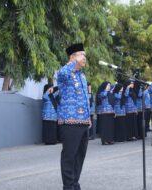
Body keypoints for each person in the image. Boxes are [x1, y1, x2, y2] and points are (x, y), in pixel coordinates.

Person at [57, 43, 91, 190]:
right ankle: (68, 186)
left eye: (84, 55)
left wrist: (88, 117)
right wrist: (72, 63)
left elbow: (85, 98)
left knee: (80, 156)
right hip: (70, 121)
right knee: (69, 156)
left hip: (83, 121)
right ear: (72, 57)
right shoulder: (64, 73)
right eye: (81, 54)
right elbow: (62, 72)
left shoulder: (82, 76)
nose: (84, 57)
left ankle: (74, 183)